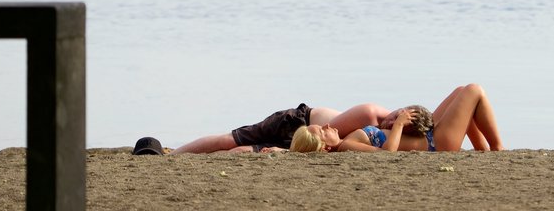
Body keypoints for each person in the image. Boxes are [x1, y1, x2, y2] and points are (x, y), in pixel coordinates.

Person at [289, 83, 503, 153]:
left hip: (428, 135)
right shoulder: (347, 146)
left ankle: (482, 150)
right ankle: (497, 147)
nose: (327, 125)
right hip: (435, 143)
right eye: (322, 130)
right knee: (474, 91)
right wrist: (399, 124)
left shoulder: (347, 142)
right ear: (324, 147)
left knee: (460, 91)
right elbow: (386, 154)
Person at [169, 102, 397, 154]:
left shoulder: (384, 133)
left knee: (239, 152)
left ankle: (197, 157)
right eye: (395, 118)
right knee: (228, 140)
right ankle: (173, 156)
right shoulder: (370, 114)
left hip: (304, 144)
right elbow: (323, 131)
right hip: (298, 124)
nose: (392, 123)